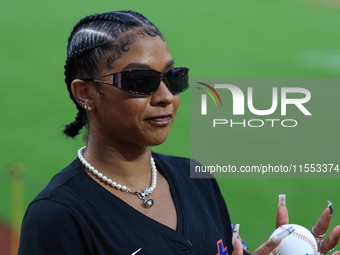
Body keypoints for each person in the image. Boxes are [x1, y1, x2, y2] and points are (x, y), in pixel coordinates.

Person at [18, 10, 340, 255]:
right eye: (140, 81)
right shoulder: (58, 217)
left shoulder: (194, 178)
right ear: (85, 94)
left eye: (174, 77)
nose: (166, 96)